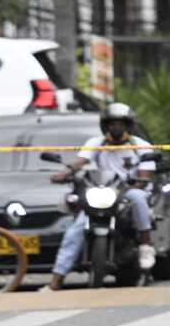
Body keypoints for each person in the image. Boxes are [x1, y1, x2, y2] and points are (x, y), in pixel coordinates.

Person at [45, 103, 157, 291]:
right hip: (104, 193)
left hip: (130, 191)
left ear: (129, 125)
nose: (116, 127)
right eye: (112, 124)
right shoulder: (96, 143)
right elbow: (81, 162)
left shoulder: (141, 146)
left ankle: (145, 245)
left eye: (121, 124)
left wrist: (137, 182)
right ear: (105, 125)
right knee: (75, 230)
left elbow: (144, 177)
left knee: (138, 197)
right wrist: (65, 173)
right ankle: (56, 281)